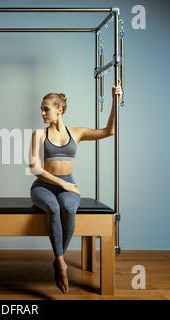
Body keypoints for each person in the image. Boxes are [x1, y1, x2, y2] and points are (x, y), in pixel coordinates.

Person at [29, 81, 123, 293]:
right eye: (41, 109)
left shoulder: (76, 133)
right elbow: (34, 167)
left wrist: (115, 100)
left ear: (59, 109)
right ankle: (60, 261)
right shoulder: (39, 134)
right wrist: (63, 183)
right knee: (53, 208)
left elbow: (110, 131)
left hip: (67, 185)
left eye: (46, 109)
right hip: (43, 187)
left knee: (69, 208)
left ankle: (57, 259)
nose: (42, 113)